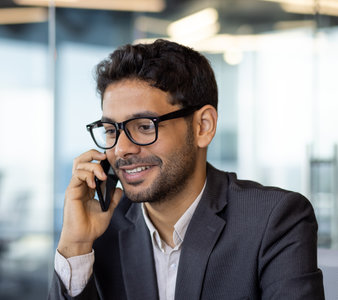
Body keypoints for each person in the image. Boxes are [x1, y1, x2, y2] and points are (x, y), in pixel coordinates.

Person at [48, 39, 325, 300]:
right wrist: (75, 247)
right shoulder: (101, 230)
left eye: (144, 127)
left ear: (203, 126)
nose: (121, 149)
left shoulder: (273, 220)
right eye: (111, 130)